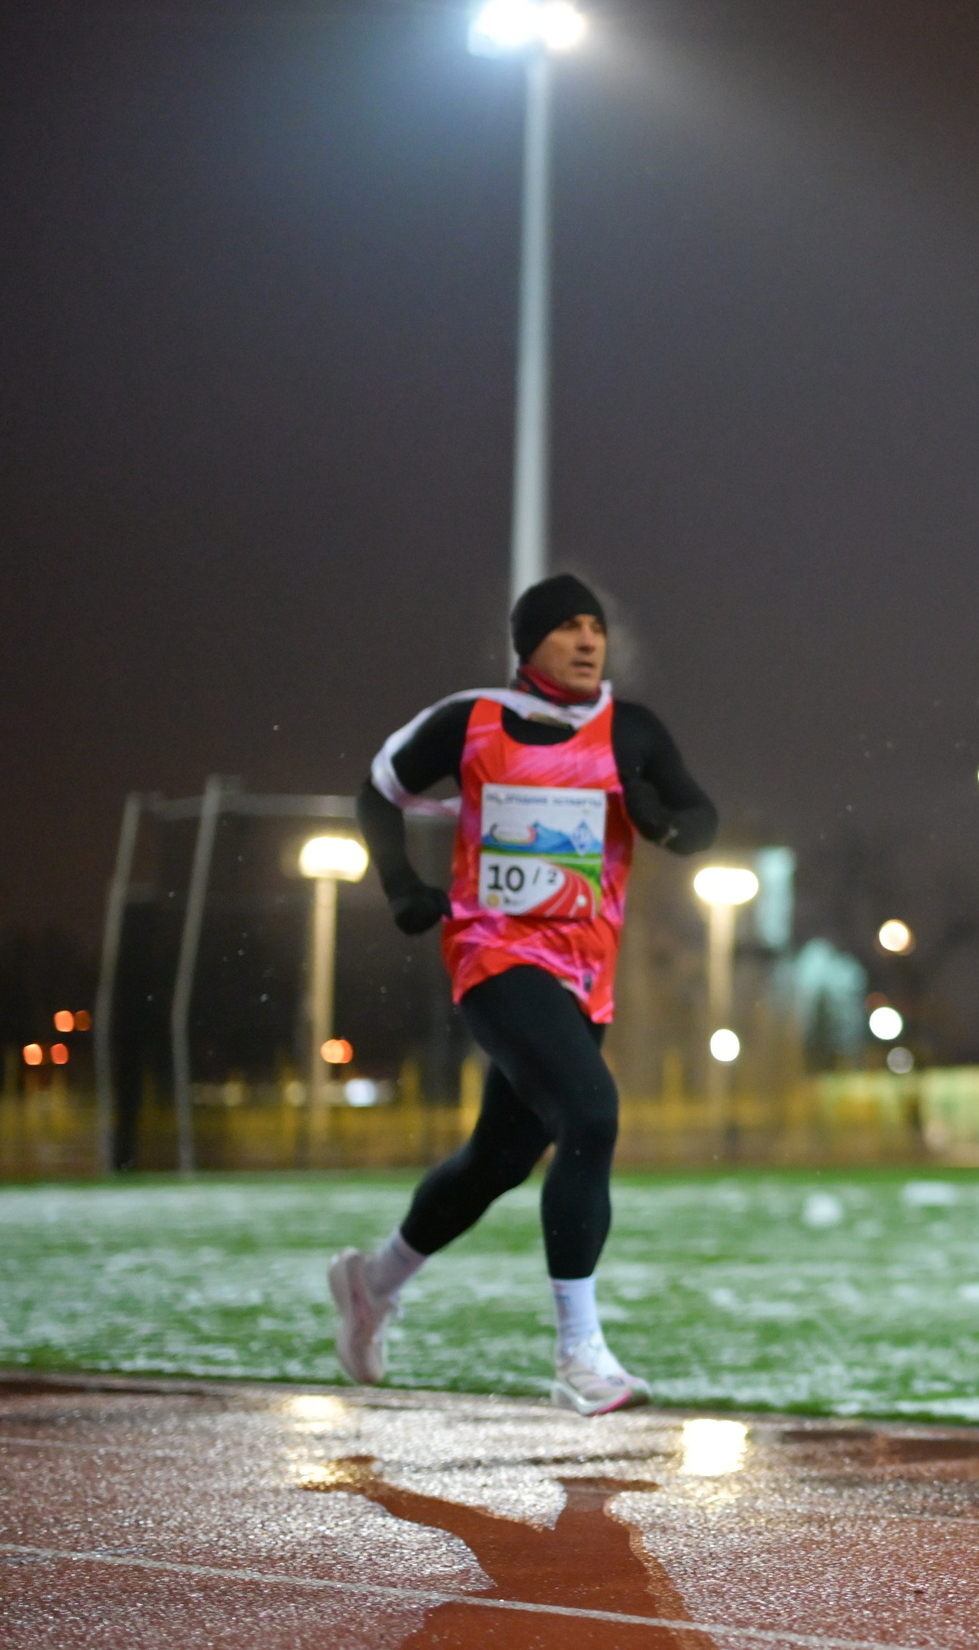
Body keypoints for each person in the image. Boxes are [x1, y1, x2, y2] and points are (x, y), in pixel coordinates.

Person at [328, 574, 717, 1416]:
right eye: (568, 627)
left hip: (583, 976)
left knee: (495, 1162)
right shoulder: (469, 720)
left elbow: (702, 820)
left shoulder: (631, 731)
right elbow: (377, 792)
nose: (588, 641)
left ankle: (375, 1282)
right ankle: (581, 1350)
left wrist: (661, 818)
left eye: (597, 627)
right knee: (591, 1112)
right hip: (494, 956)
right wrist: (399, 884)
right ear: (527, 644)